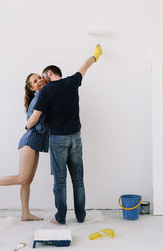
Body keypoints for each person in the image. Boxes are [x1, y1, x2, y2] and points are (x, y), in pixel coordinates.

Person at [26, 45, 102, 224]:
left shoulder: (47, 90)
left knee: (60, 181)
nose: (43, 81)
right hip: (76, 137)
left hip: (58, 139)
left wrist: (26, 125)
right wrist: (96, 55)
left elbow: (34, 118)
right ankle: (81, 216)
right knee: (78, 179)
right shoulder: (73, 81)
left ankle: (60, 218)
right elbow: (86, 65)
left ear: (50, 73)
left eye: (43, 77)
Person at [0, 73, 50, 221]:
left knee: (27, 180)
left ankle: (25, 214)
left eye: (40, 77)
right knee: (22, 178)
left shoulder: (43, 95)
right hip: (29, 141)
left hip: (36, 142)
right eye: (35, 81)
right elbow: (32, 121)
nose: (40, 80)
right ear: (33, 88)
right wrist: (27, 125)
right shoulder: (40, 96)